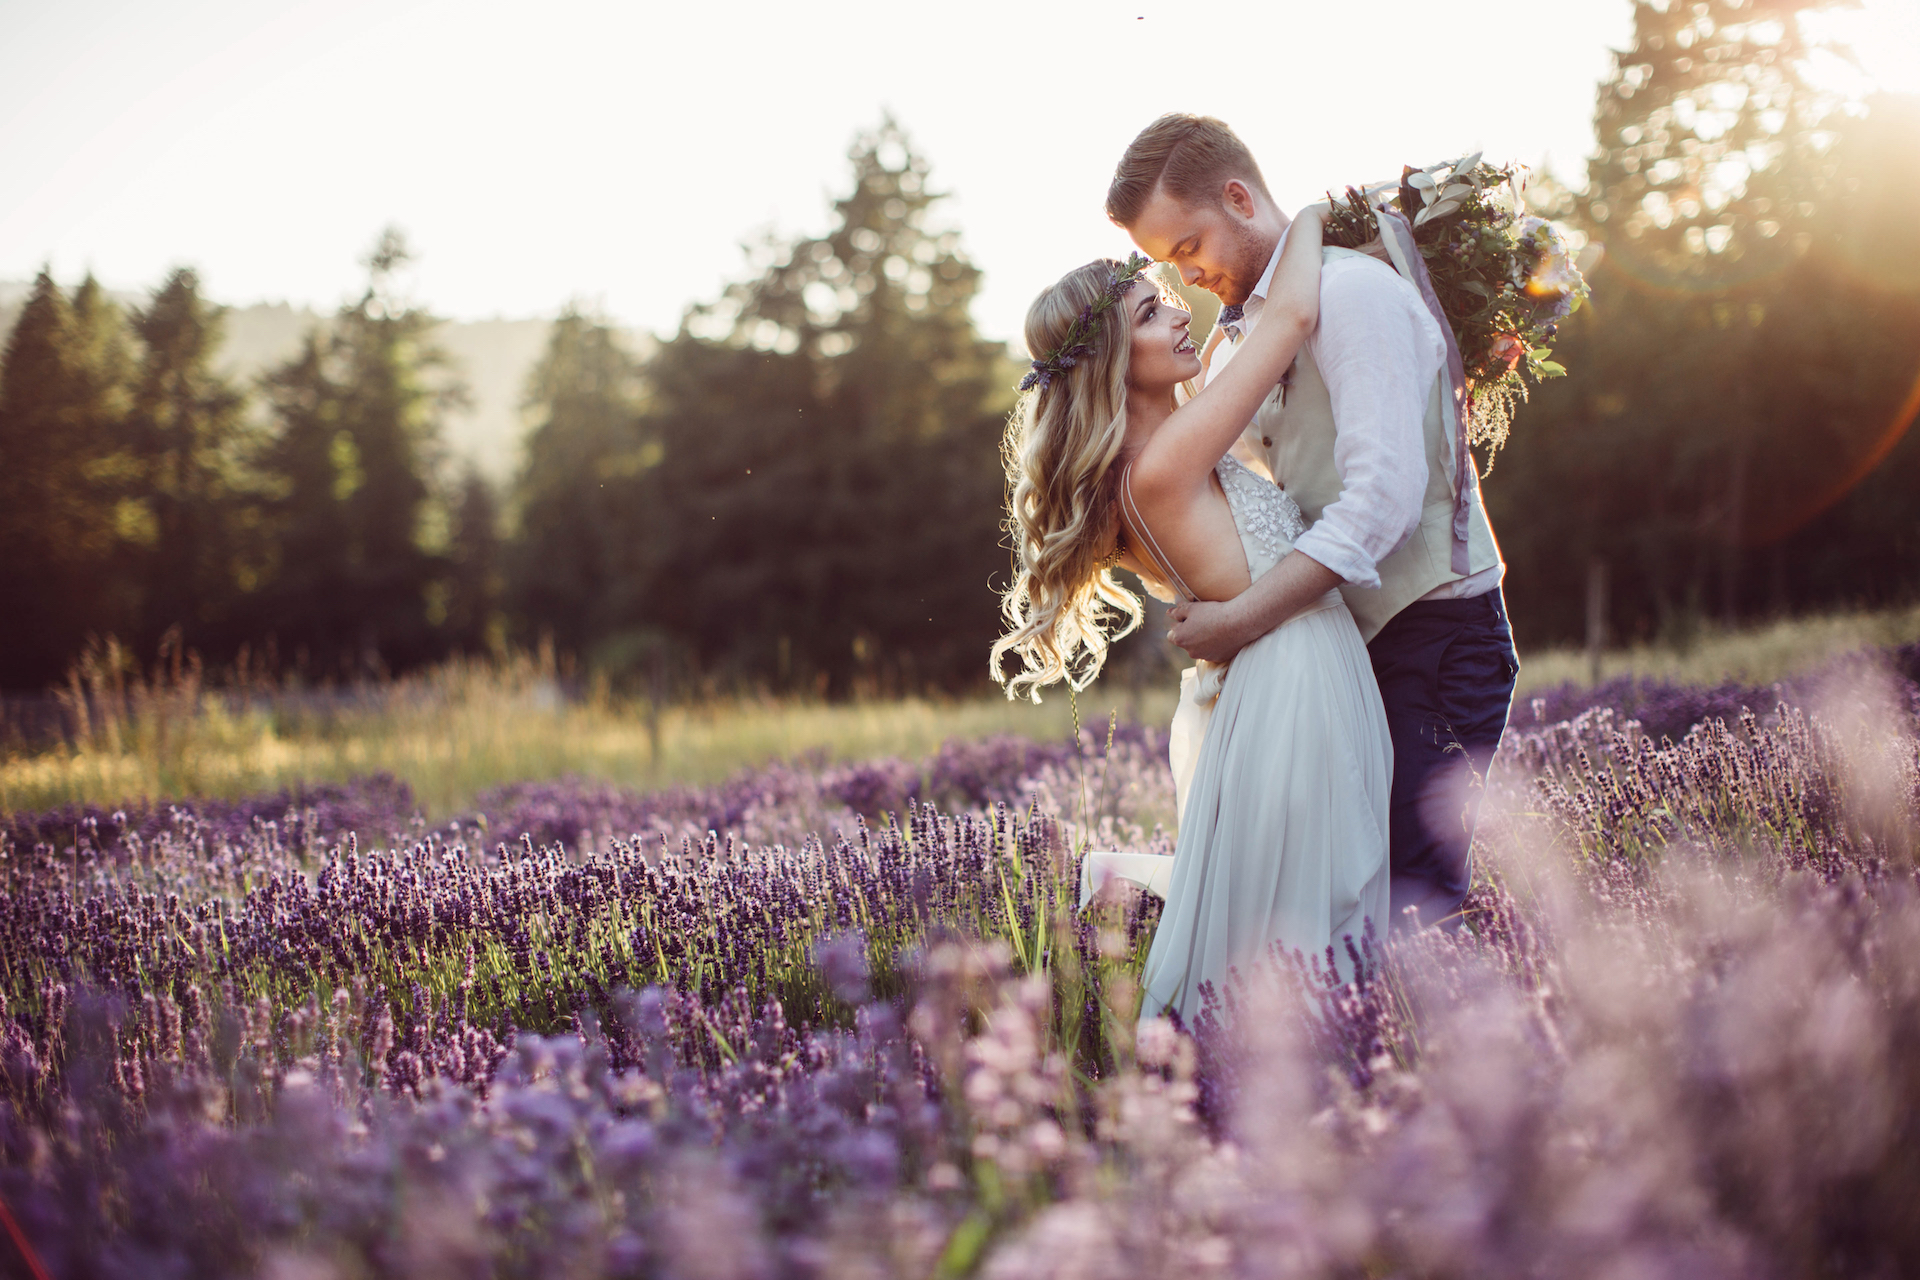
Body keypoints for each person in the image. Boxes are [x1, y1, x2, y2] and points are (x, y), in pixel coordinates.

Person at [1108, 114, 1520, 930]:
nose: (1187, 277)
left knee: (1413, 903)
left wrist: (1240, 621)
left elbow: (1382, 503)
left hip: (1436, 633)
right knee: (1344, 905)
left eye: (1190, 247)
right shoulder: (1237, 348)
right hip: (1342, 655)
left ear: (1237, 197)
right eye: (1168, 265)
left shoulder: (1354, 295)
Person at [992, 207, 1392, 1025]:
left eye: (1171, 295)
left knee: (1299, 920)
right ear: (1111, 361)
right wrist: (1313, 216)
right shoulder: (1167, 461)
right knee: (1313, 933)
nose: (1180, 312)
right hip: (1296, 679)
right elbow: (1287, 317)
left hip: (1278, 676)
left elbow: (1227, 345)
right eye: (1149, 312)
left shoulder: (1154, 452)